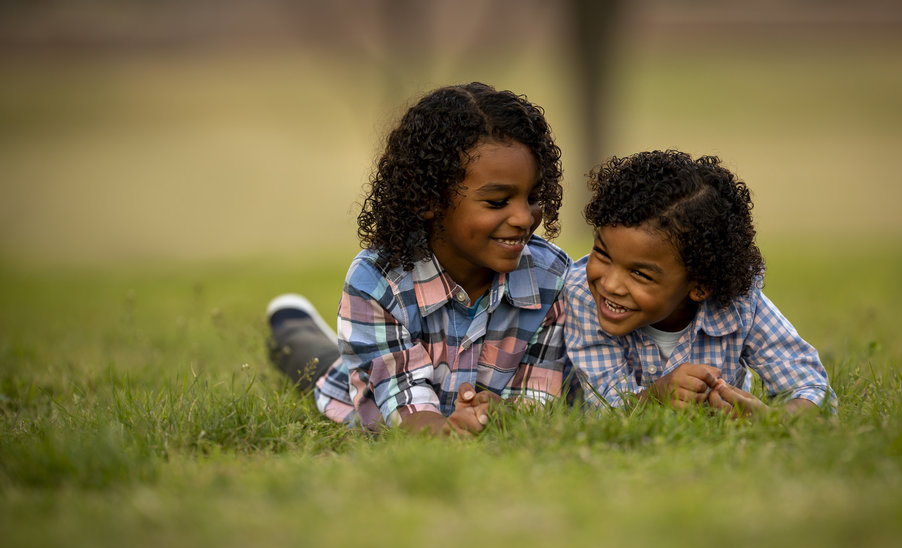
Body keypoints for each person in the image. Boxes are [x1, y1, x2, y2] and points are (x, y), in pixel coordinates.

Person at [267, 82, 571, 436]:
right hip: (368, 387)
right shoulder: (377, 281)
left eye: (532, 197)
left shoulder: (552, 277)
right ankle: (292, 324)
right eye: (498, 202)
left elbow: (536, 399)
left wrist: (502, 415)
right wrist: (443, 434)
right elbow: (405, 407)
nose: (523, 217)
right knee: (315, 364)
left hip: (460, 403)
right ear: (429, 200)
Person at [563, 149, 836, 417]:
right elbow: (604, 409)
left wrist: (774, 419)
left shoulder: (739, 303)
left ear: (701, 286)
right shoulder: (584, 295)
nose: (610, 284)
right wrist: (657, 396)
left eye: (640, 274)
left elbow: (812, 388)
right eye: (602, 253)